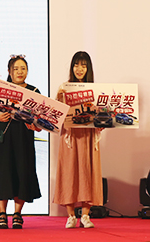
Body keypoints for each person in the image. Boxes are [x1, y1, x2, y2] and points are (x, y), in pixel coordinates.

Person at [0, 55, 41, 229]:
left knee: (23, 172)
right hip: (4, 137)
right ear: (9, 71)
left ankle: (17, 213)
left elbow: (40, 121)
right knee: (3, 171)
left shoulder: (34, 91)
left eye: (23, 68)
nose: (20, 72)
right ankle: (2, 213)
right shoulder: (0, 89)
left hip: (24, 138)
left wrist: (35, 126)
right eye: (16, 69)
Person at [53, 51, 102, 229]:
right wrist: (59, 100)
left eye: (83, 65)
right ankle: (71, 216)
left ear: (88, 68)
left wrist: (101, 119)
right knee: (69, 172)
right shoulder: (64, 87)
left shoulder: (95, 90)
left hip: (88, 136)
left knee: (88, 172)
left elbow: (101, 117)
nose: (79, 69)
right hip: (70, 137)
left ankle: (85, 216)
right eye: (76, 65)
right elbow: (56, 115)